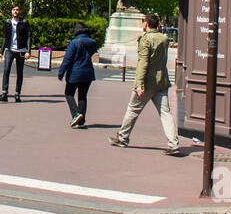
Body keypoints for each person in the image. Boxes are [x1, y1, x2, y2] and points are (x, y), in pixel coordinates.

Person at [110, 12, 181, 156]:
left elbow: (143, 63)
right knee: (165, 113)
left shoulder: (146, 40)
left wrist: (139, 84)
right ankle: (174, 143)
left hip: (147, 82)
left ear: (146, 24)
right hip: (161, 82)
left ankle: (123, 138)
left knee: (133, 109)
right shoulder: (164, 38)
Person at [57, 22, 98, 128]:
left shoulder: (74, 42)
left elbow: (67, 59)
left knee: (69, 94)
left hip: (75, 72)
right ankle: (81, 120)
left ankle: (76, 114)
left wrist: (61, 72)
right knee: (82, 96)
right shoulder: (92, 42)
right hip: (88, 72)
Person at [0, 4, 31, 102]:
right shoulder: (7, 22)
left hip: (21, 51)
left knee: (19, 73)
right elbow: (4, 37)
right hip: (10, 50)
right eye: (14, 10)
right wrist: (1, 52)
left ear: (20, 11)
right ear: (11, 11)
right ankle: (4, 94)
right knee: (6, 70)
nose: (15, 11)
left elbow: (29, 36)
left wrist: (28, 51)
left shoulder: (24, 22)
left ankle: (17, 94)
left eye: (17, 10)